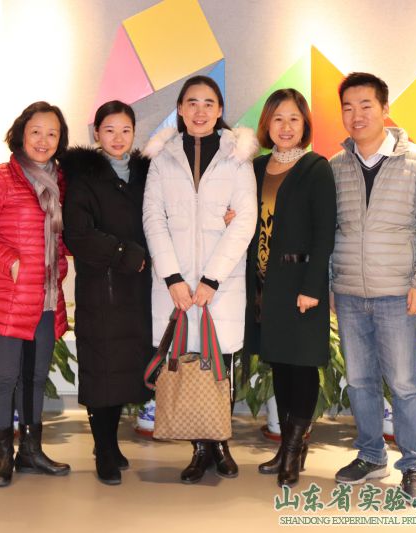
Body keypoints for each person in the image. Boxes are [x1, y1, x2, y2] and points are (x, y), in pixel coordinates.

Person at [329, 72, 416, 499]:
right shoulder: (336, 166)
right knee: (359, 381)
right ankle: (371, 455)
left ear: (385, 109)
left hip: (399, 294)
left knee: (404, 384)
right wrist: (331, 284)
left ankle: (414, 465)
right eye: (348, 107)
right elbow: (328, 231)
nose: (356, 115)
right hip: (349, 294)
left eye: (366, 105)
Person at [143, 75, 257, 484]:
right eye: (192, 102)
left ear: (220, 110)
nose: (200, 111)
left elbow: (245, 220)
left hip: (220, 284)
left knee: (219, 364)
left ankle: (220, 443)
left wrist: (212, 279)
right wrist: (173, 278)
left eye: (209, 103)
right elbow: (153, 218)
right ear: (180, 109)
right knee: (187, 362)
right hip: (175, 286)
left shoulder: (237, 157)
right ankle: (198, 448)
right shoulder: (162, 158)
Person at [0, 101, 71, 487]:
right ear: (21, 134)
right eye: (36, 131)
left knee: (36, 376)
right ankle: (3, 456)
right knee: (5, 377)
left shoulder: (60, 181)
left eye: (52, 133)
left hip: (45, 296)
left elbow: (60, 235)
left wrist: (63, 260)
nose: (44, 140)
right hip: (8, 296)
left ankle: (31, 451)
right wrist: (10, 261)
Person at [243, 89, 337, 487]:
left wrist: (313, 287)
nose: (285, 127)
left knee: (302, 366)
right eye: (278, 118)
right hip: (265, 286)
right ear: (267, 124)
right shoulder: (255, 167)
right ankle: (285, 447)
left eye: (294, 119)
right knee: (280, 365)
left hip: (301, 285)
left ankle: (296, 449)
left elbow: (324, 233)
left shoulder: (316, 168)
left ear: (305, 125)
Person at [59, 100, 152, 486]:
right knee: (102, 371)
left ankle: (112, 446)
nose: (118, 138)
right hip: (102, 289)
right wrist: (126, 253)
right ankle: (104, 448)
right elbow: (78, 235)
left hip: (138, 291)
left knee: (125, 369)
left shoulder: (146, 174)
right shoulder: (84, 177)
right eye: (109, 130)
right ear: (96, 133)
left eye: (125, 130)